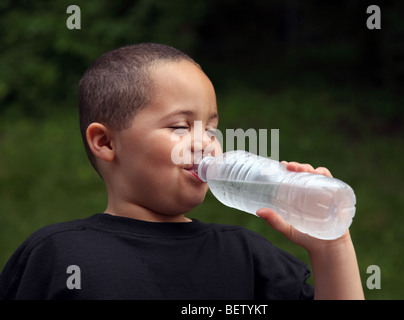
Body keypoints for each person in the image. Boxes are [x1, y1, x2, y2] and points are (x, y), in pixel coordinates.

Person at [0, 43, 364, 300]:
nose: (204, 142)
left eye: (210, 129)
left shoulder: (248, 257)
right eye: (179, 126)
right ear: (106, 143)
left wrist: (331, 247)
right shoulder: (60, 254)